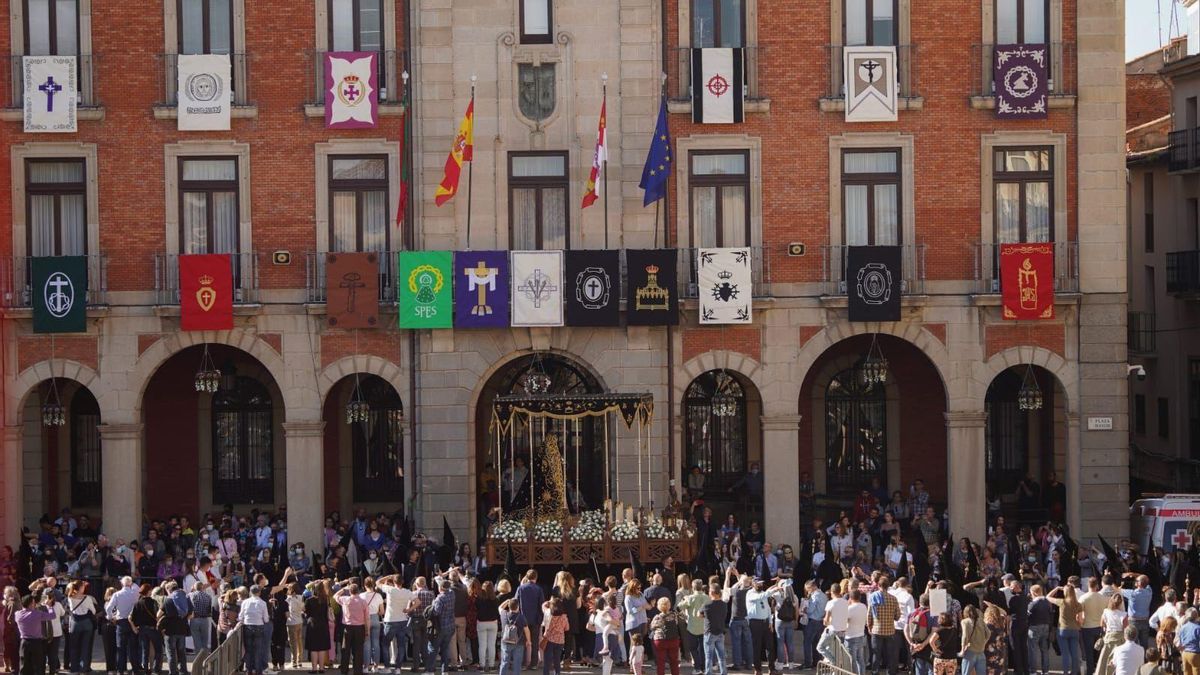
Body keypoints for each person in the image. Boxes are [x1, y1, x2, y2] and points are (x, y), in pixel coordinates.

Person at [377, 575, 413, 672]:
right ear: (403, 581)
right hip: (402, 620)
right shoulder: (407, 592)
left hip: (390, 620)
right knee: (401, 645)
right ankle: (398, 668)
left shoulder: (390, 590)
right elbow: (418, 602)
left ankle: (387, 667)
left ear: (394, 582)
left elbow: (377, 582)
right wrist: (409, 609)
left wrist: (389, 576)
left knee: (385, 644)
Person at [1048, 583, 1085, 675]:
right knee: (1074, 654)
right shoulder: (1078, 604)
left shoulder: (1062, 602)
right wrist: (1078, 625)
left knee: (1065, 654)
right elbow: (1081, 620)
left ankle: (1065, 672)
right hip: (1075, 630)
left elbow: (1048, 597)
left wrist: (1056, 588)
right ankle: (1074, 672)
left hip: (1063, 630)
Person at [869, 576, 902, 675]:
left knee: (876, 653)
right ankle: (891, 672)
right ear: (888, 586)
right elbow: (897, 616)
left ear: (879, 585)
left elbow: (869, 614)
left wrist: (869, 626)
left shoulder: (873, 597)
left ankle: (875, 672)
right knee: (890, 654)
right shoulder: (893, 599)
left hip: (876, 630)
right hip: (890, 631)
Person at [16, 593, 55, 675]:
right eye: (34, 603)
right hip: (36, 643)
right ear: (31, 603)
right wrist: (49, 606)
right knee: (38, 665)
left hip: (24, 642)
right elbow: (52, 616)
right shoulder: (37, 613)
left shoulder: (17, 614)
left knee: (24, 665)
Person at [335, 582, 369, 675]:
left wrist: (344, 588)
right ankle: (358, 671)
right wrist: (367, 630)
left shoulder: (345, 600)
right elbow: (367, 618)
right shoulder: (363, 602)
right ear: (358, 591)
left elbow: (335, 596)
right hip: (359, 627)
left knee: (345, 650)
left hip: (347, 627)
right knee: (358, 650)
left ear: (350, 591)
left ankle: (344, 670)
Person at [65, 581, 96, 675]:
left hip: (75, 623)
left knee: (74, 646)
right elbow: (93, 611)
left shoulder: (70, 597)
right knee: (85, 647)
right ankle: (84, 669)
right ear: (80, 588)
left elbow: (71, 609)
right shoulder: (87, 598)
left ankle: (74, 669)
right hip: (86, 622)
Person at [516, 571, 544, 670]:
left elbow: (516, 603)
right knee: (535, 642)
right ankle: (534, 664)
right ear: (536, 577)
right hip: (535, 619)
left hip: (523, 619)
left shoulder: (520, 588)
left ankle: (523, 664)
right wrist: (540, 619)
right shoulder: (539, 589)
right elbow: (541, 606)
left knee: (522, 642)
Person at [648, 597, 683, 675]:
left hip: (660, 640)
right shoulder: (674, 615)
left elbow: (652, 627)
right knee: (674, 661)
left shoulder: (657, 617)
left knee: (660, 662)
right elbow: (676, 623)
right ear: (669, 605)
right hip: (673, 639)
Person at [304, 581, 333, 674]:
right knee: (321, 647)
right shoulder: (325, 599)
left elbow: (306, 612)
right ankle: (321, 668)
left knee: (313, 648)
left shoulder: (309, 600)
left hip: (312, 624)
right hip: (323, 624)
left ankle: (314, 668)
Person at [700, 582, 728, 675]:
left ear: (711, 592)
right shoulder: (724, 604)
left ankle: (708, 672)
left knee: (709, 656)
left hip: (709, 632)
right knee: (721, 656)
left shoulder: (707, 605)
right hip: (720, 632)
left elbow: (699, 615)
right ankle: (723, 672)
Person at [430, 579, 457, 675]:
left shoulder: (439, 599)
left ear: (440, 588)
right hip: (450, 626)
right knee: (445, 649)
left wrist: (433, 604)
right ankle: (444, 671)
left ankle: (430, 670)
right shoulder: (452, 594)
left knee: (433, 648)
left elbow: (436, 612)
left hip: (441, 627)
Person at [539, 597, 568, 675]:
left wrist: (548, 602)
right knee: (557, 660)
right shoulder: (564, 616)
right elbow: (567, 628)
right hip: (560, 640)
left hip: (549, 639)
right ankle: (557, 673)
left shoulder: (548, 612)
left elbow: (543, 606)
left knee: (547, 661)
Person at [498, 599, 528, 675]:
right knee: (517, 663)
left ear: (509, 606)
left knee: (505, 662)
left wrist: (507, 601)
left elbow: (500, 607)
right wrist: (529, 640)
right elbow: (526, 630)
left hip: (506, 642)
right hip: (518, 642)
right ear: (518, 607)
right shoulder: (521, 617)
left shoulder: (504, 614)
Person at [475, 582, 500, 672]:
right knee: (491, 645)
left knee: (482, 645)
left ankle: (481, 666)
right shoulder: (496, 599)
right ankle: (491, 665)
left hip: (481, 622)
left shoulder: (478, 599)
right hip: (493, 622)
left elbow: (476, 609)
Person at [846, 589, 869, 675]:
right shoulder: (863, 606)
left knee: (852, 660)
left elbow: (845, 620)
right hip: (861, 635)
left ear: (850, 597)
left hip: (851, 636)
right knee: (860, 659)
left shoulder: (850, 608)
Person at [1177, 608, 1200, 675]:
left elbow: (1181, 641)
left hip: (1185, 653)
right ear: (1197, 616)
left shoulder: (1183, 627)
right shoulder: (1198, 628)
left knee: (1186, 672)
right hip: (1195, 653)